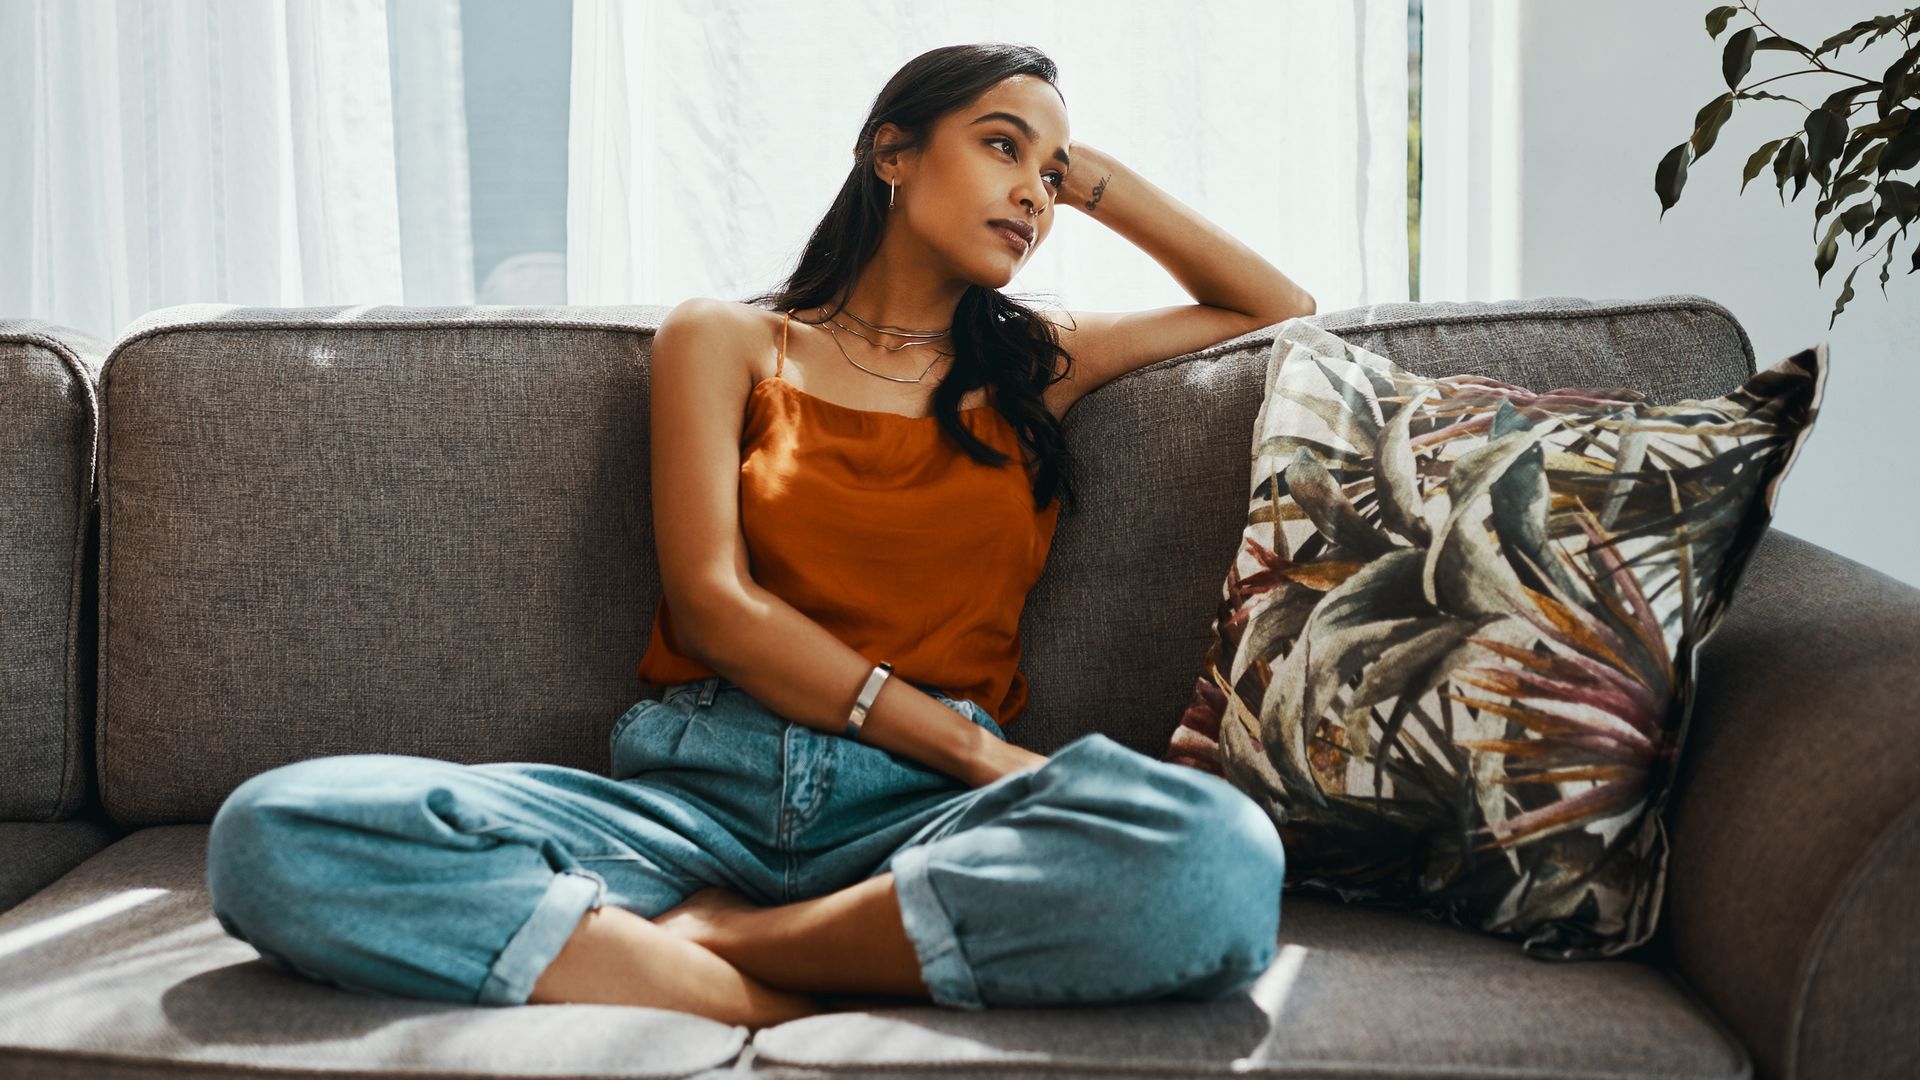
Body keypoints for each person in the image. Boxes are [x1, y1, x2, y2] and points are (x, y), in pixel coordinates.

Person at [204, 41, 1315, 1031]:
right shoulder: (727, 341)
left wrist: (1095, 183)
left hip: (926, 824)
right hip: (692, 801)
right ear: (892, 152)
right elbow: (716, 609)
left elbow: (1277, 306)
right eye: (1001, 147)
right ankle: (808, 978)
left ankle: (730, 948)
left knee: (1216, 859)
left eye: (1053, 177)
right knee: (276, 829)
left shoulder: (1036, 364)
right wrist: (978, 749)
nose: (1034, 195)